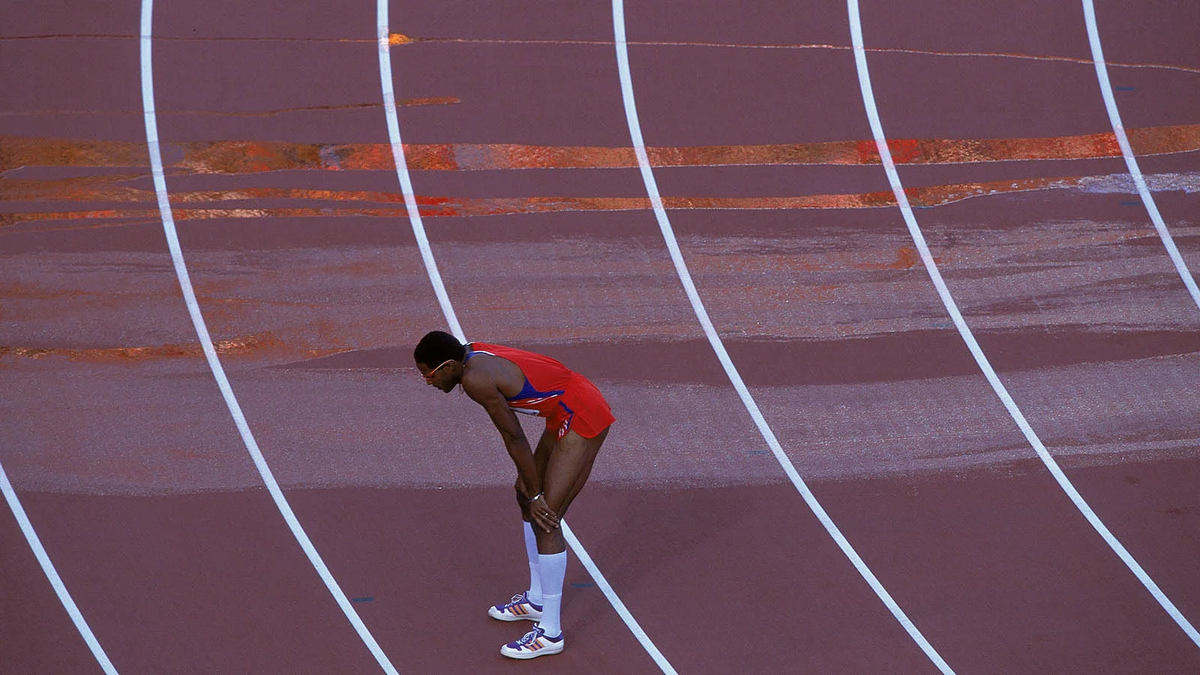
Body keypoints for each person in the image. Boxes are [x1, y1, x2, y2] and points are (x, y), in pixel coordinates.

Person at [413, 330, 615, 660]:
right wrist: (530, 492)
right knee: (525, 494)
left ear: (448, 367)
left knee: (546, 515)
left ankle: (550, 632)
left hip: (582, 411)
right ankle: (536, 600)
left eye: (429, 374)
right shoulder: (471, 357)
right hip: (562, 407)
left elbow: (514, 438)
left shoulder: (477, 380)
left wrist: (538, 497)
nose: (428, 382)